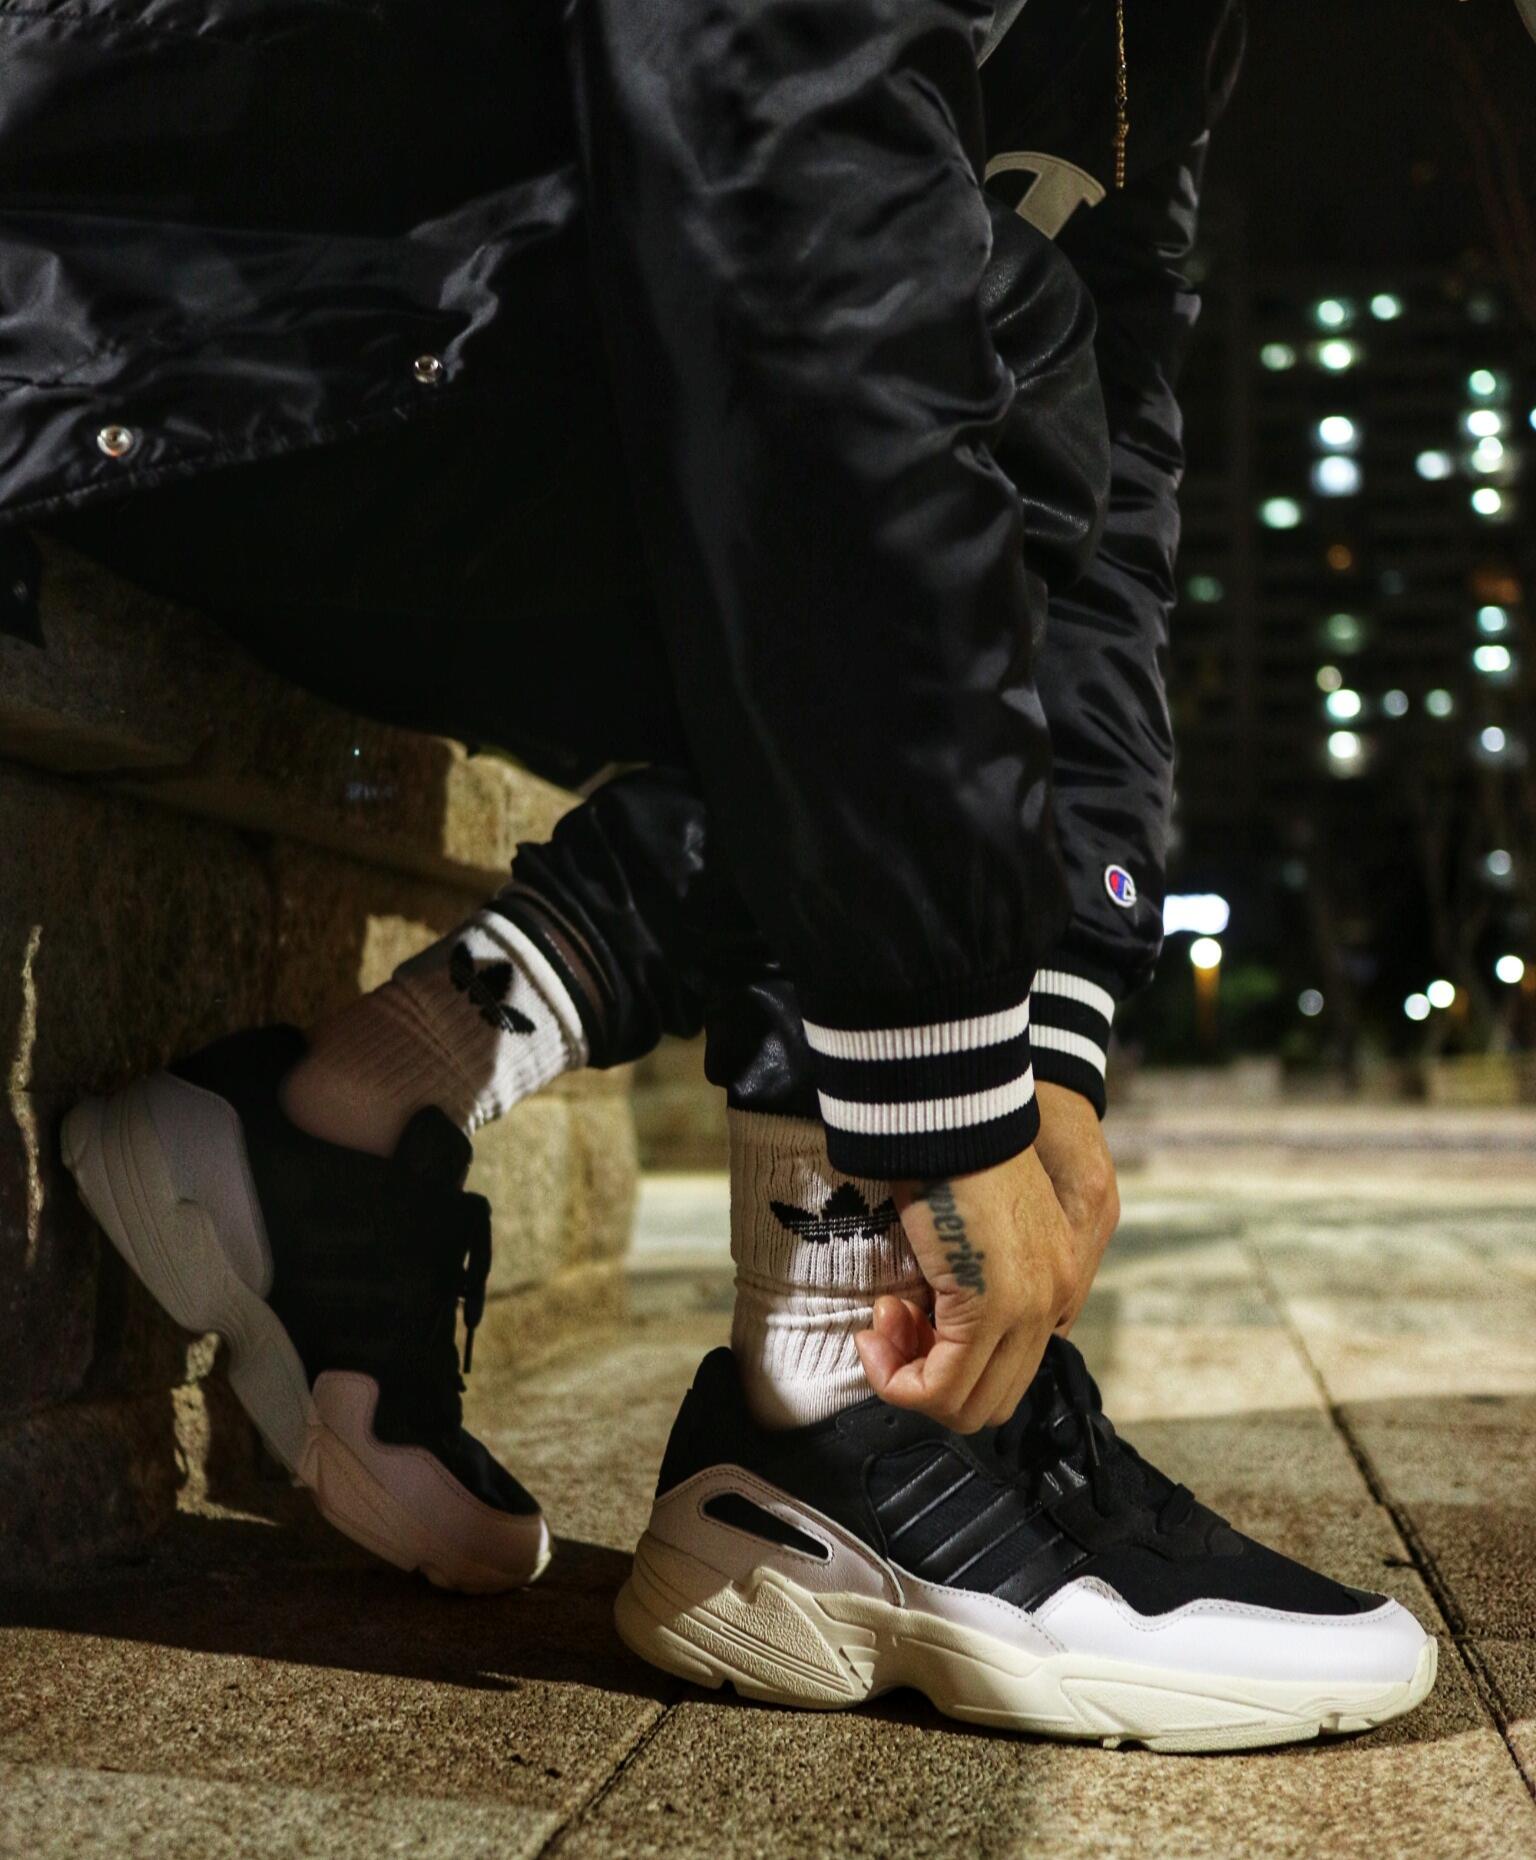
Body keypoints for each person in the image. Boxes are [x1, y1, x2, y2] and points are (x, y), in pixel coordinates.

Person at [6, 0, 1436, 1746]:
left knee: (1001, 395)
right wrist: (936, 1064)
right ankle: (834, 1404)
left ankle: (390, 1132)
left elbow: (1119, 489)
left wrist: (1051, 1001)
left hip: (366, 314)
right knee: (958, 367)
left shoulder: (1178, 39)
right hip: (121, 265)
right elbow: (791, 192)